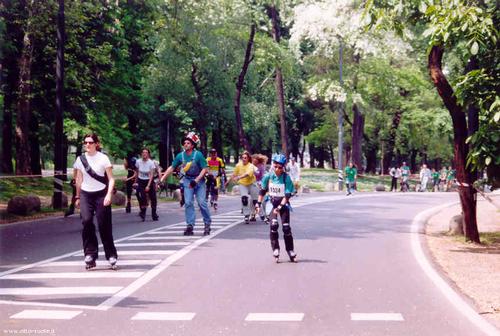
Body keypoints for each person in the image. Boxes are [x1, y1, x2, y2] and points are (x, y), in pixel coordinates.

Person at [73, 133, 118, 270]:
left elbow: (111, 179)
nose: (87, 145)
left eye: (90, 142)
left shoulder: (103, 158)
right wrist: (77, 196)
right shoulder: (80, 159)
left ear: (96, 144)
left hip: (101, 194)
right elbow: (78, 179)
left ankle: (111, 254)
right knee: (86, 221)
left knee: (104, 225)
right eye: (85, 142)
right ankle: (90, 254)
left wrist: (109, 195)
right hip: (86, 194)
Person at [160, 132, 212, 236]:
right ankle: (190, 225)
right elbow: (172, 167)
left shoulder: (198, 155)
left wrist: (196, 180)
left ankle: (207, 223)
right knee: (188, 202)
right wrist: (162, 179)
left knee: (201, 202)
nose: (186, 144)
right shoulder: (180, 156)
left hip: (199, 181)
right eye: (184, 143)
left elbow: (205, 169)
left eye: (188, 143)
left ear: (192, 145)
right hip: (188, 180)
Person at [255, 153, 297, 262]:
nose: (278, 169)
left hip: (283, 204)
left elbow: (287, 195)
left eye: (280, 167)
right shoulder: (268, 176)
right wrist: (258, 204)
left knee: (286, 228)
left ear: (283, 167)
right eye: (276, 166)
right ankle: (276, 249)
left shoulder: (286, 177)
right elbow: (262, 191)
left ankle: (290, 250)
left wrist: (280, 206)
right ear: (273, 165)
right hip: (272, 204)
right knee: (273, 226)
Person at [225, 151, 259, 224]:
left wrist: (239, 177)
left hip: (251, 183)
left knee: (254, 200)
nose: (244, 159)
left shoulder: (251, 166)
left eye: (245, 158)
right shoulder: (238, 165)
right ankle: (246, 215)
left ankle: (256, 214)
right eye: (242, 158)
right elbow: (234, 174)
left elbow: (247, 174)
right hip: (242, 184)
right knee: (244, 199)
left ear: (248, 159)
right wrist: (228, 182)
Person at [133, 148, 159, 221]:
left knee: (153, 198)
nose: (144, 154)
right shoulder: (138, 162)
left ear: (148, 154)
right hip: (141, 181)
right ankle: (143, 213)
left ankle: (154, 214)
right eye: (143, 152)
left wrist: (148, 185)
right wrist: (135, 181)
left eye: (146, 152)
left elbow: (151, 175)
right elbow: (137, 172)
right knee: (142, 197)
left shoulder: (151, 163)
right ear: (141, 154)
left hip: (149, 181)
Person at [252, 153, 269, 221]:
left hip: (260, 183)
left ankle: (266, 214)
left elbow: (259, 175)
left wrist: (252, 171)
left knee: (262, 200)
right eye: (253, 160)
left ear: (258, 160)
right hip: (252, 183)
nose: (254, 161)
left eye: (255, 160)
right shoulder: (251, 166)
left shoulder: (261, 166)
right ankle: (252, 215)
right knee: (253, 200)